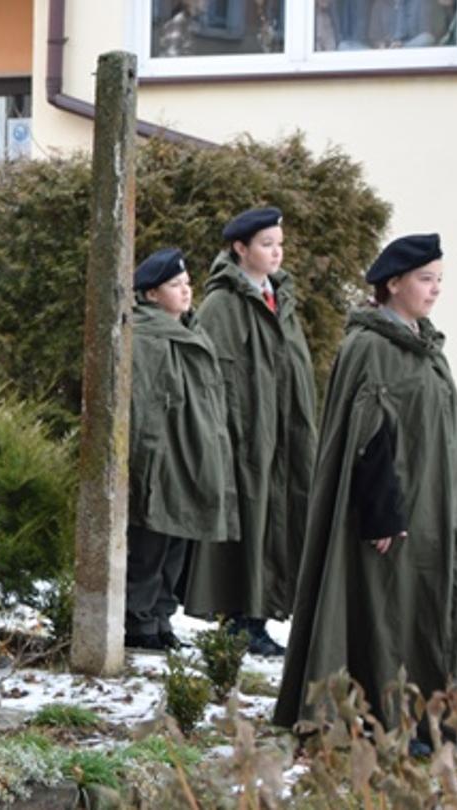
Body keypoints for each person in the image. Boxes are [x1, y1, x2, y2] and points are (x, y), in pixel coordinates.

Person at [273, 234, 457, 744]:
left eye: (438, 280)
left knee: (428, 607)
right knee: (387, 613)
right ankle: (388, 720)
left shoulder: (425, 346)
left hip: (436, 508)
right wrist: (383, 512)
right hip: (391, 514)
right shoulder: (370, 347)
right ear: (394, 283)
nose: (435, 291)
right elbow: (367, 438)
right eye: (425, 280)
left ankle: (433, 718)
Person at [184, 206, 318, 657]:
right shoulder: (223, 305)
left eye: (280, 244)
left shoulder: (282, 302)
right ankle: (241, 619)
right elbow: (210, 375)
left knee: (278, 522)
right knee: (248, 524)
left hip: (284, 435)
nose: (277, 252)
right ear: (240, 249)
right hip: (245, 438)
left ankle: (260, 616)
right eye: (266, 244)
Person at [125, 248, 238, 651]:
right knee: (149, 547)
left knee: (178, 544)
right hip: (163, 455)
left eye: (188, 284)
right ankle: (138, 623)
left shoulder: (193, 332)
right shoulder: (145, 337)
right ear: (152, 294)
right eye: (175, 285)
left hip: (193, 454)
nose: (186, 291)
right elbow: (145, 401)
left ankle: (160, 619)